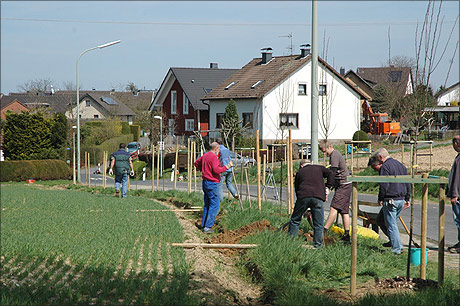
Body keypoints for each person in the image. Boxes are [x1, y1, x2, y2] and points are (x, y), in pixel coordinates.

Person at [368, 148, 410, 255]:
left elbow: (384, 184)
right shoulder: (401, 165)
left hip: (391, 200)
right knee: (380, 220)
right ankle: (393, 240)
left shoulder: (385, 167)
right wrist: (407, 198)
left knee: (391, 225)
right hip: (401, 199)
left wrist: (380, 198)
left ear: (381, 157)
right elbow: (408, 182)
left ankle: (397, 249)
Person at [288, 160, 334, 248]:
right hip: (318, 197)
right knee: (318, 223)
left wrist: (302, 204)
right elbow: (331, 174)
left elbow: (297, 188)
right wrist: (328, 186)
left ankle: (291, 244)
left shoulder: (299, 172)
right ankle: (318, 245)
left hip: (303, 196)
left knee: (295, 220)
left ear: (301, 166)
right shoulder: (319, 168)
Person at [195, 142, 233, 233]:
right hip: (212, 183)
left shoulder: (205, 155)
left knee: (207, 204)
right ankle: (208, 227)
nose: (219, 152)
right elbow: (217, 170)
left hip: (205, 183)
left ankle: (204, 224)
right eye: (219, 150)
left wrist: (204, 170)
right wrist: (227, 166)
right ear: (216, 149)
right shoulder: (214, 158)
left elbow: (196, 163)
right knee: (215, 205)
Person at [320, 141, 352, 243]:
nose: (325, 154)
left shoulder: (334, 155)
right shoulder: (334, 155)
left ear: (330, 147)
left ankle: (324, 230)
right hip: (345, 184)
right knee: (344, 211)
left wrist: (328, 186)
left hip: (343, 185)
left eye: (325, 152)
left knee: (334, 207)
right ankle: (347, 235)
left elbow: (332, 173)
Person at [447, 135, 460, 253]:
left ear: (456, 144)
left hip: (459, 195)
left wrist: (455, 194)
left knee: (459, 219)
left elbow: (457, 177)